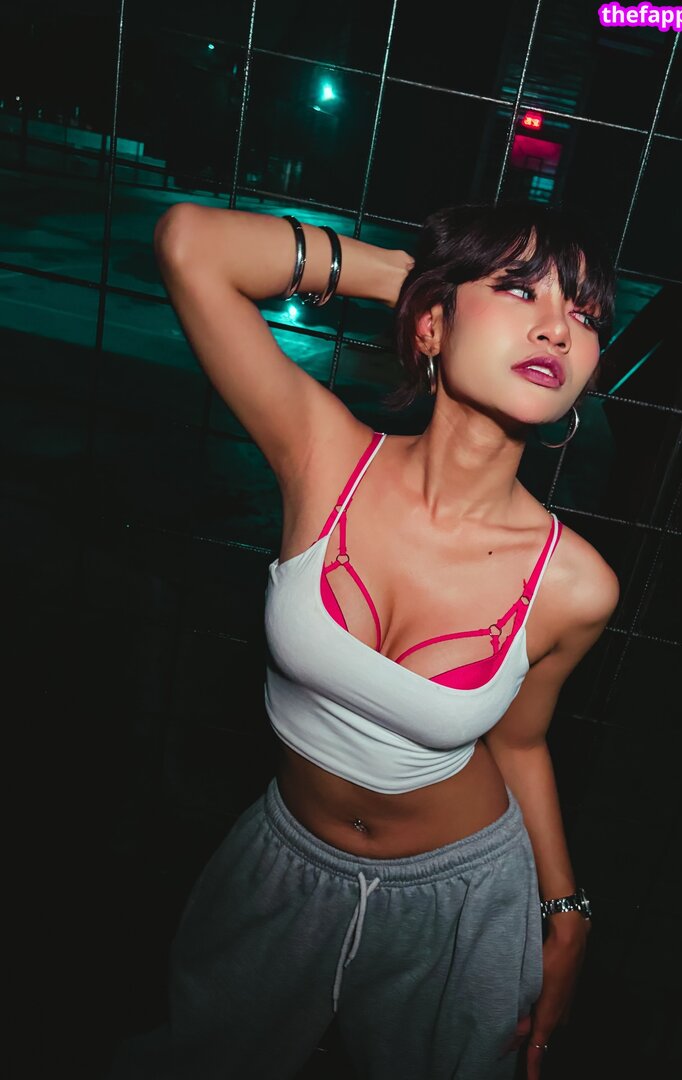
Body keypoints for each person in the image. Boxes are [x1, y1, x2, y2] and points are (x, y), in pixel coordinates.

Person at [126, 199, 619, 1080]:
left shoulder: (575, 585)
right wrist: (405, 279)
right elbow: (190, 243)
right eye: (518, 290)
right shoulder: (322, 456)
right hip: (285, 862)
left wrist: (565, 909)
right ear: (431, 326)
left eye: (583, 317)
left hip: (461, 897)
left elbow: (519, 742)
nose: (557, 328)